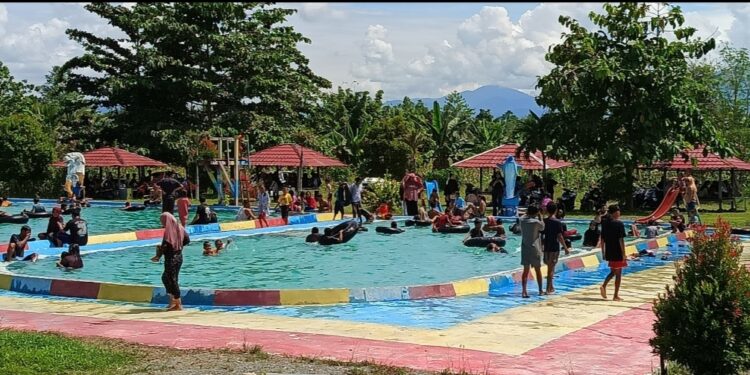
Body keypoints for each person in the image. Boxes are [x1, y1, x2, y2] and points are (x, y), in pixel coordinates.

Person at [159, 212, 190, 311]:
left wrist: (158, 255)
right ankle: (173, 301)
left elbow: (165, 246)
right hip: (179, 257)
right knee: (166, 278)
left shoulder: (169, 231)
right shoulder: (180, 227)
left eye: (163, 221)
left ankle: (178, 304)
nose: (162, 223)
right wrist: (179, 246)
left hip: (171, 258)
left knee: (172, 280)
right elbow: (187, 240)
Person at [600, 205, 627, 301]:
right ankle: (605, 286)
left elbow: (602, 239)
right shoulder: (619, 224)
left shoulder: (605, 223)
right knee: (616, 272)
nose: (619, 213)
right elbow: (621, 240)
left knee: (616, 272)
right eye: (618, 211)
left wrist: (603, 252)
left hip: (609, 251)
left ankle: (615, 294)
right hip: (617, 251)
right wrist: (624, 253)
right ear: (615, 212)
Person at [541, 203, 569, 295]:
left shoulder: (544, 221)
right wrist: (565, 248)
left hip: (546, 246)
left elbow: (542, 235)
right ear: (556, 210)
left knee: (549, 267)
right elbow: (560, 236)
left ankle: (551, 286)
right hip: (554, 247)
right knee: (551, 268)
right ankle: (548, 289)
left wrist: (541, 246)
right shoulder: (557, 222)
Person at [520, 205, 545, 298]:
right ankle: (540, 290)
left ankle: (524, 291)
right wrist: (540, 216)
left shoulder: (522, 221)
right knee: (538, 270)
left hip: (525, 247)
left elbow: (522, 216)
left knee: (525, 270)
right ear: (535, 213)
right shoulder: (536, 222)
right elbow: (543, 228)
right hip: (535, 247)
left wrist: (527, 213)